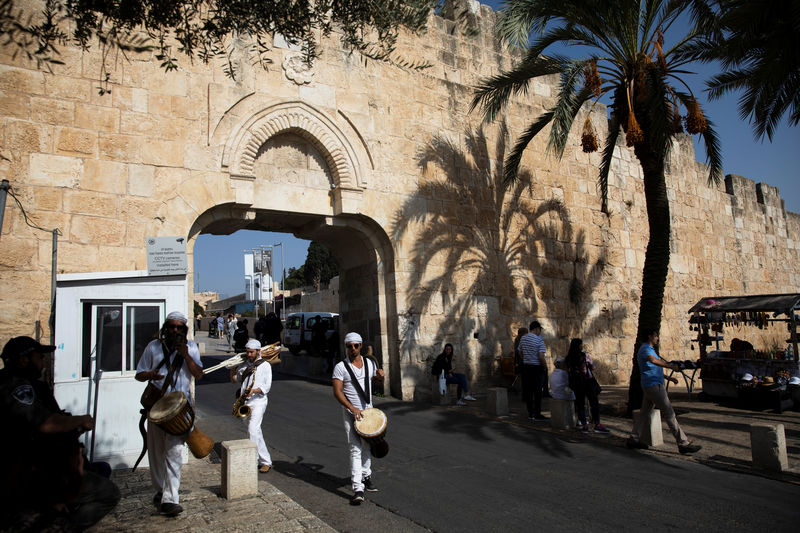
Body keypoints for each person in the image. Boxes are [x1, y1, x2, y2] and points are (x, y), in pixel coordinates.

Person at [0, 336, 120, 531]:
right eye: (39, 357)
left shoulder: (33, 385)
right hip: (32, 473)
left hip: (44, 465)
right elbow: (45, 423)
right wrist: (78, 420)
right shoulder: (16, 386)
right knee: (108, 493)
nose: (43, 362)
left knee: (101, 470)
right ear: (23, 360)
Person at [135, 311, 204, 517]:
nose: (175, 330)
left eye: (179, 327)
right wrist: (150, 375)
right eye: (172, 326)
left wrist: (185, 355)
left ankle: (171, 499)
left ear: (184, 330)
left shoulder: (191, 348)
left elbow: (198, 374)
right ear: (166, 328)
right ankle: (160, 490)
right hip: (156, 408)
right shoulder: (153, 347)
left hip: (179, 410)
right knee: (156, 454)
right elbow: (139, 374)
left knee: (174, 453)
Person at [626, 329, 701, 455]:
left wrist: (668, 377)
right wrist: (670, 366)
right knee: (669, 413)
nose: (657, 338)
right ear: (650, 336)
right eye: (656, 336)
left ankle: (634, 438)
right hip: (654, 387)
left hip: (650, 385)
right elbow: (653, 361)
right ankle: (683, 443)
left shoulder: (647, 349)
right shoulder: (646, 349)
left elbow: (652, 368)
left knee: (644, 414)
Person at [332, 332, 385, 505]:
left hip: (368, 412)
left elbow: (376, 385)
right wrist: (352, 408)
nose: (353, 349)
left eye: (356, 345)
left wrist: (380, 377)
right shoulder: (340, 367)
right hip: (350, 413)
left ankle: (366, 475)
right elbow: (337, 392)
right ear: (345, 347)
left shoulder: (369, 364)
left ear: (361, 346)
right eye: (349, 346)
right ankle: (357, 488)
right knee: (355, 448)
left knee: (368, 446)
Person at [231, 339, 273, 473]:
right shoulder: (243, 365)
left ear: (258, 351)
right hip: (245, 402)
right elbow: (234, 381)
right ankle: (266, 461)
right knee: (255, 432)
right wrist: (232, 368)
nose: (248, 354)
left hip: (259, 401)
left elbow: (267, 386)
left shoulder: (265, 366)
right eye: (247, 352)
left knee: (252, 429)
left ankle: (253, 460)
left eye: (251, 352)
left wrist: (254, 390)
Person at [564, 338, 609, 434]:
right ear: (579, 345)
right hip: (587, 382)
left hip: (577, 384)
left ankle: (584, 425)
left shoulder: (568, 358)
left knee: (580, 405)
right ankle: (597, 424)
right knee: (594, 403)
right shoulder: (584, 356)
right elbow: (593, 367)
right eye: (581, 344)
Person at [517, 321, 549, 421]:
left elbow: (520, 351)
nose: (540, 332)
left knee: (529, 391)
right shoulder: (539, 340)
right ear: (536, 329)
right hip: (537, 368)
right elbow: (541, 356)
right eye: (539, 330)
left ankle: (530, 413)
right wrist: (544, 366)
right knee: (538, 391)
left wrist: (526, 359)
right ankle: (537, 414)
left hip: (526, 367)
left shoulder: (523, 338)